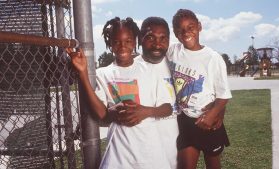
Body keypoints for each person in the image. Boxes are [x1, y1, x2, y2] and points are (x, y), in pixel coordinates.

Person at [66, 17, 173, 169]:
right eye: (117, 42)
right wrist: (83, 73)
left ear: (135, 42)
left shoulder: (149, 70)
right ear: (110, 44)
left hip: (150, 152)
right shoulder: (103, 74)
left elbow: (167, 108)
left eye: (128, 41)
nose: (123, 46)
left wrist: (145, 111)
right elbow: (102, 115)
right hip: (120, 153)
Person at [167, 9, 232, 169]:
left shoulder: (213, 58)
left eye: (191, 27)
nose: (186, 32)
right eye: (180, 30)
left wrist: (214, 114)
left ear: (199, 26)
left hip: (208, 121)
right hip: (185, 121)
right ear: (175, 34)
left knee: (213, 164)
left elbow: (223, 95)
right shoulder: (172, 51)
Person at [135, 16, 179, 169]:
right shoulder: (131, 68)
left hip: (173, 150)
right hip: (143, 153)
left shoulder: (175, 64)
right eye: (150, 37)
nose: (157, 44)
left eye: (163, 38)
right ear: (140, 39)